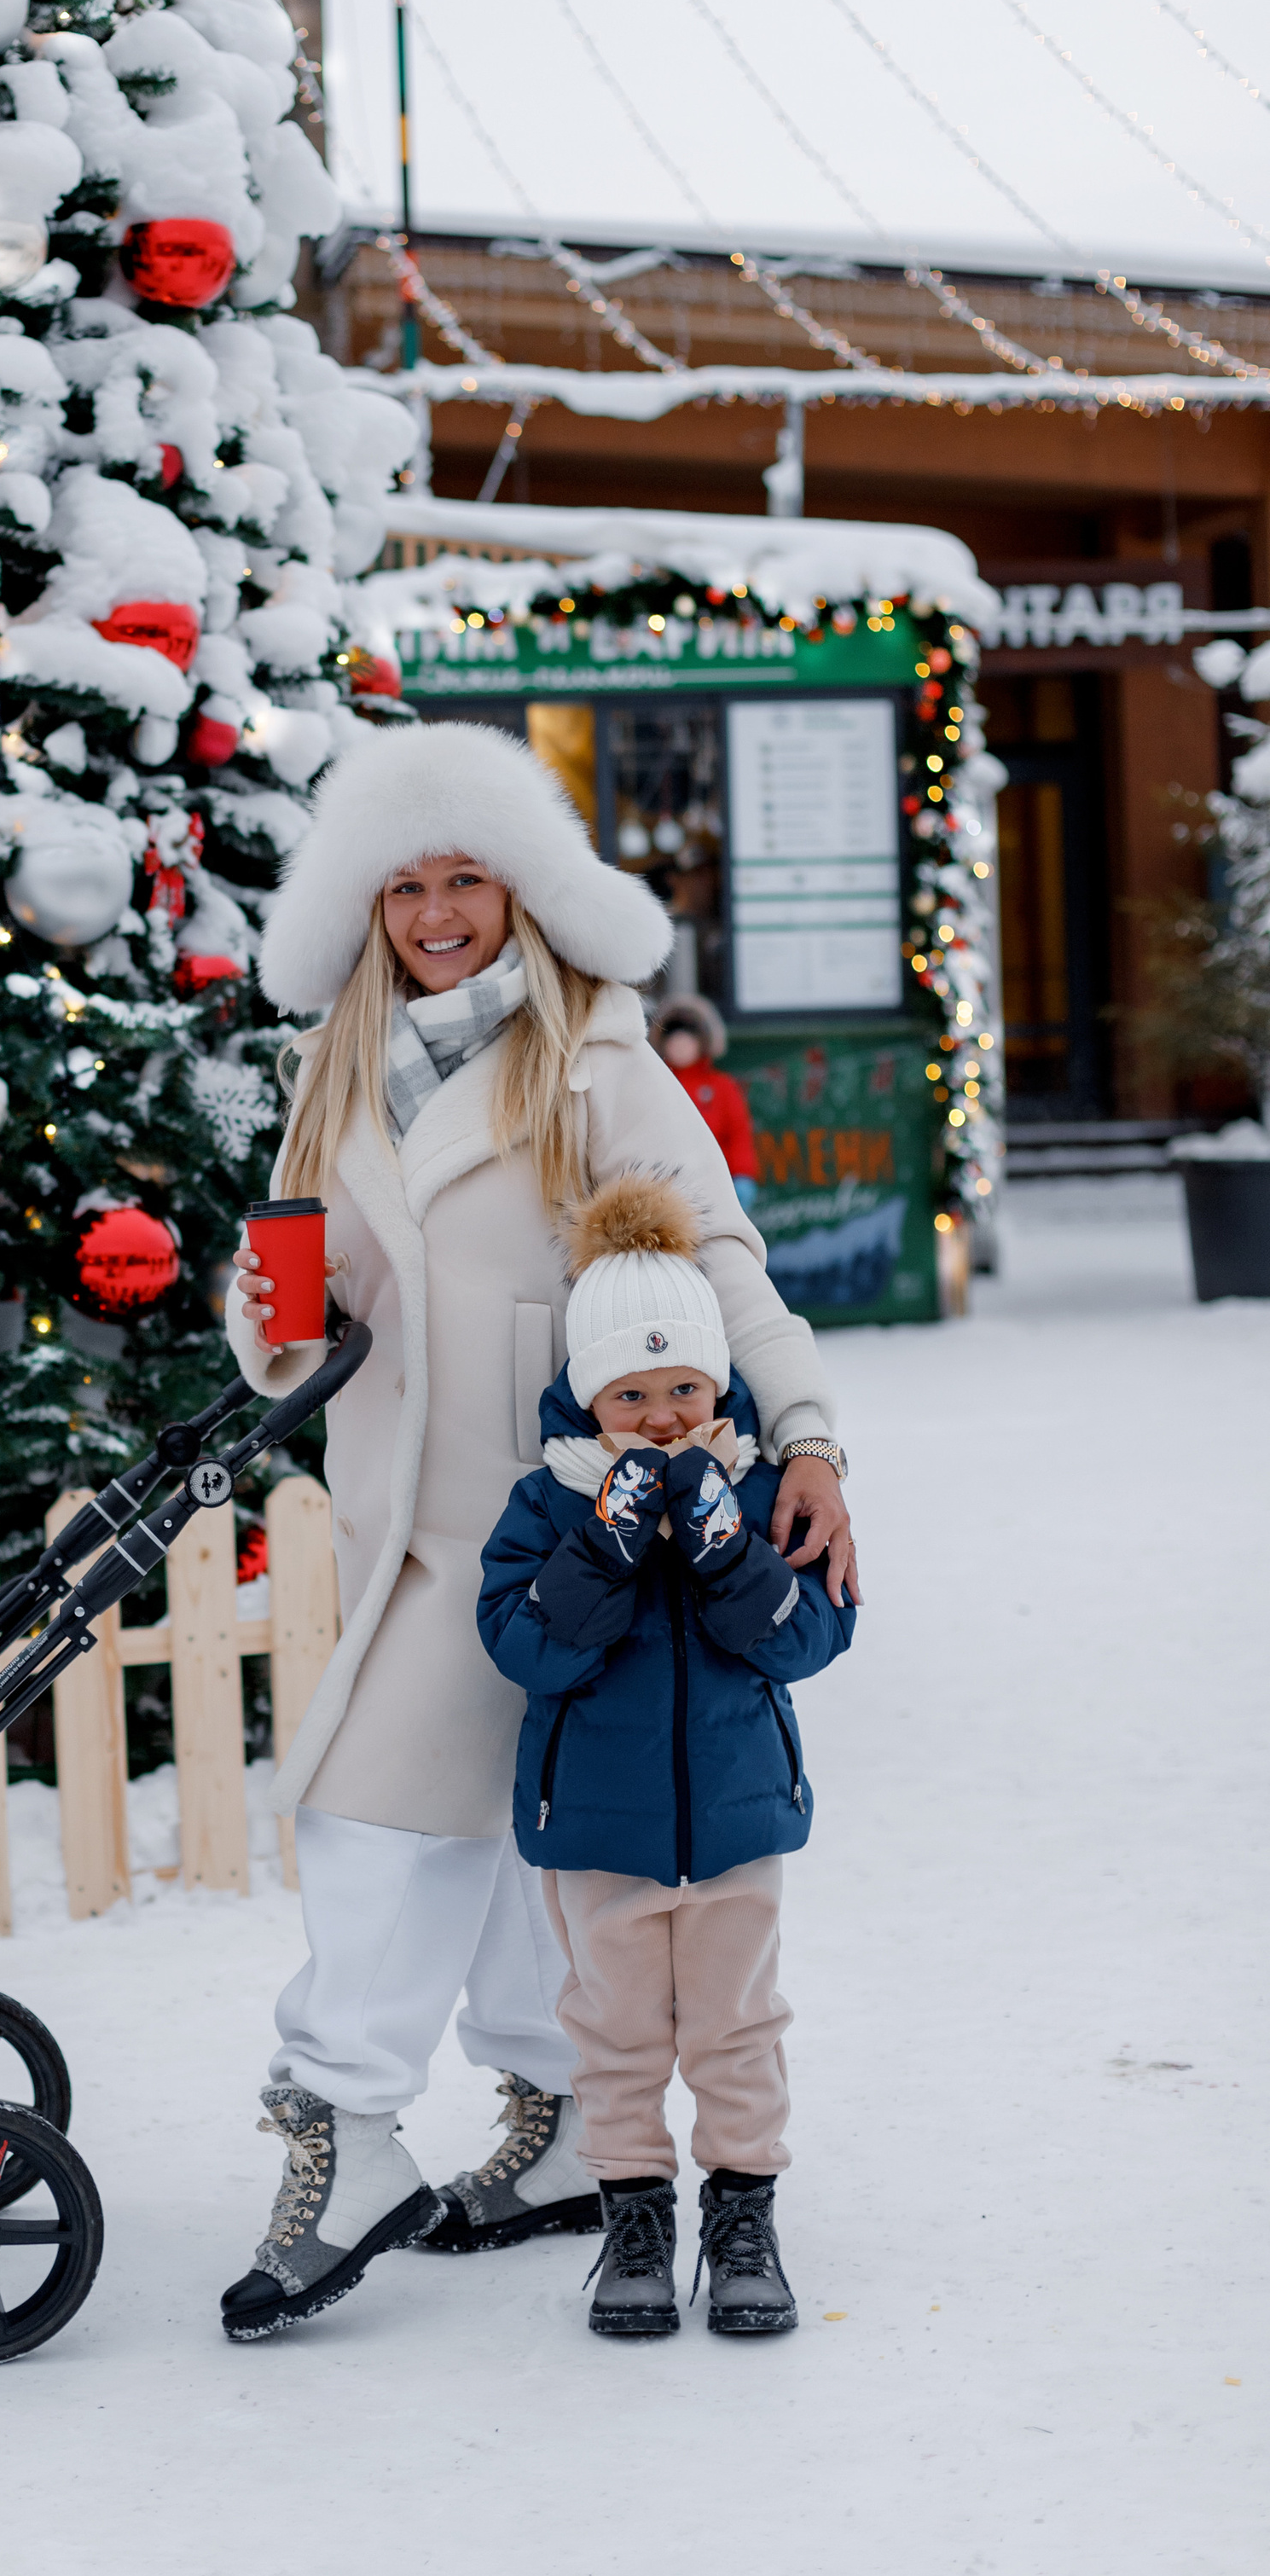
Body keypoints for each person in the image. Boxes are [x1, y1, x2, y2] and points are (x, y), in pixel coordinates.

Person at [216, 719, 856, 2345]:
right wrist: (266, 1319)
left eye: (467, 878)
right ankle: (570, 2108)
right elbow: (307, 1291)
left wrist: (804, 1433)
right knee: (521, 1825)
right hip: (407, 1520)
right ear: (365, 907)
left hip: (566, 1521)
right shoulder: (340, 1069)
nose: (438, 914)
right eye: (405, 886)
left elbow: (718, 1254)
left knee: (379, 1818)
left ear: (521, 889)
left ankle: (348, 2124)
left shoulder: (596, 1061)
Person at [475, 1172, 854, 2339]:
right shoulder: (549, 1504)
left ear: (718, 1382)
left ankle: (742, 2218)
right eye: (631, 1393)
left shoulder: (758, 1489)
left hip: (736, 1817)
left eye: (683, 1386)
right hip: (599, 1829)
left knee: (737, 2027)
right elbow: (525, 1645)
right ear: (589, 1394)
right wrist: (607, 1542)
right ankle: (634, 2218)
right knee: (617, 2032)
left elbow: (806, 1636)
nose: (661, 1414)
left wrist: (726, 1543)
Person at [652, 993, 759, 1212]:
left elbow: (738, 1134)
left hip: (717, 1186)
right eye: (673, 1039)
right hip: (665, 1190)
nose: (680, 1046)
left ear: (702, 1042)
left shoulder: (722, 1086)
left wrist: (742, 1175)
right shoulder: (655, 1085)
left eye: (687, 1039)